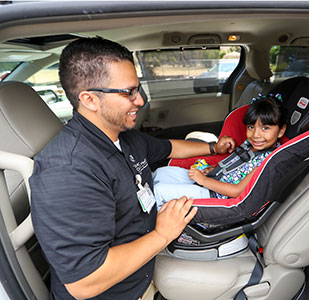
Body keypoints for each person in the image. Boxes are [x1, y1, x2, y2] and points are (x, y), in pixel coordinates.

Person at [29, 37, 235, 300]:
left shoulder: (122, 136)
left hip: (143, 269)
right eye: (129, 92)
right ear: (90, 99)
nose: (139, 101)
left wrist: (212, 149)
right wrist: (162, 233)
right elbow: (85, 282)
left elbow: (168, 148)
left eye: (138, 90)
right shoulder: (68, 172)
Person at [153, 96, 287, 208]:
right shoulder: (250, 144)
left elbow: (236, 191)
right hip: (212, 180)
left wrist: (204, 180)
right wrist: (211, 169)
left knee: (159, 192)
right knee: (161, 172)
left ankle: (150, 228)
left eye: (265, 128)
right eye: (251, 127)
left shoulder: (267, 160)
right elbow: (233, 167)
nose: (256, 135)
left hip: (215, 196)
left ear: (281, 130)